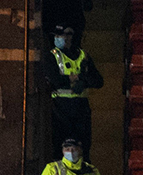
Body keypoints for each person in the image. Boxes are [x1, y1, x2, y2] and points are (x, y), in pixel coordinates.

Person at [43, 25, 101, 154]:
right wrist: (77, 77)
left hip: (81, 109)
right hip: (60, 108)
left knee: (83, 146)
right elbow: (55, 80)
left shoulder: (84, 56)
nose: (58, 38)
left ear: (71, 36)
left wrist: (83, 82)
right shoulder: (52, 56)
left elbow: (98, 81)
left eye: (61, 35)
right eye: (56, 35)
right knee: (60, 146)